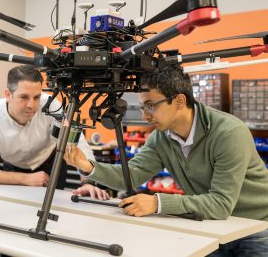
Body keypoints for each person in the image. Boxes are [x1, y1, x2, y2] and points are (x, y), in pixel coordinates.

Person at [64, 64, 268, 256]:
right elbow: (132, 175)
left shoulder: (228, 133)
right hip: (211, 224)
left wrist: (157, 202)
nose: (145, 116)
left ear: (179, 101)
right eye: (142, 107)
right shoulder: (161, 137)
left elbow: (221, 203)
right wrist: (87, 166)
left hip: (256, 226)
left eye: (151, 106)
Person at [0, 65, 108, 198]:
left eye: (36, 97)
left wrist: (88, 182)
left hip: (51, 165)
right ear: (8, 94)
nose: (31, 105)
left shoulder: (50, 104)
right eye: (24, 97)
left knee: (53, 207)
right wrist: (25, 178)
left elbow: (76, 142)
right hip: (13, 170)